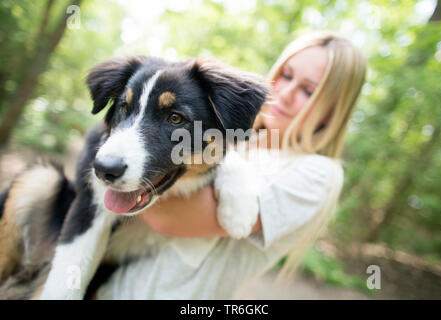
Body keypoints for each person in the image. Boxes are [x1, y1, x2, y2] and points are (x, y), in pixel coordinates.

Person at [95, 30, 367, 299]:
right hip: (105, 287)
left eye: (308, 90)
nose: (284, 93)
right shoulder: (231, 135)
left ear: (333, 110)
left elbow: (168, 218)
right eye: (286, 74)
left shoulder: (317, 173)